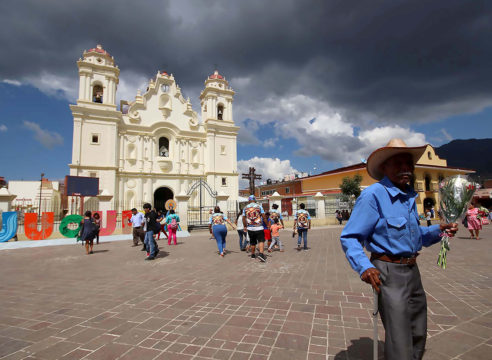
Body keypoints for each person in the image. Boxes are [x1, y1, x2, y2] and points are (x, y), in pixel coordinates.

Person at [340, 138, 458, 360]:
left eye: (408, 163)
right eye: (398, 163)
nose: (406, 168)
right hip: (387, 271)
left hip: (412, 270)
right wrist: (364, 266)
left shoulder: (409, 196)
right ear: (384, 167)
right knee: (399, 336)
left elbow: (415, 236)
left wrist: (439, 231)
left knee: (418, 331)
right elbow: (350, 237)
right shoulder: (373, 195)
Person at [242, 195, 267, 262]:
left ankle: (253, 254)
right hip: (259, 227)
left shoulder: (245, 208)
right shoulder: (259, 206)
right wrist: (267, 225)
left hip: (250, 228)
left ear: (249, 200)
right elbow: (264, 217)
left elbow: (243, 218)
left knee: (252, 242)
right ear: (255, 200)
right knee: (261, 240)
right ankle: (261, 254)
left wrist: (245, 226)